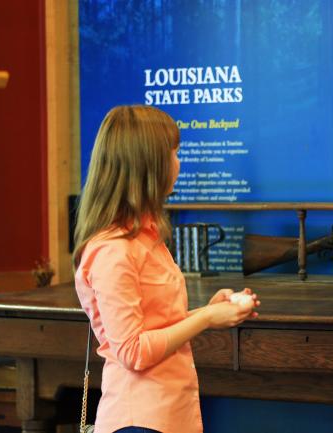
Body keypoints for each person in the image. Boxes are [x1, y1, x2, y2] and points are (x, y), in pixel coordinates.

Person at [73, 105, 259, 433]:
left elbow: (155, 327)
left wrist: (209, 311)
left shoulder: (146, 236)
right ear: (149, 163)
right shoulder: (113, 251)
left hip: (168, 413)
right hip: (139, 420)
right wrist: (205, 319)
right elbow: (133, 351)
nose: (178, 162)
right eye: (174, 152)